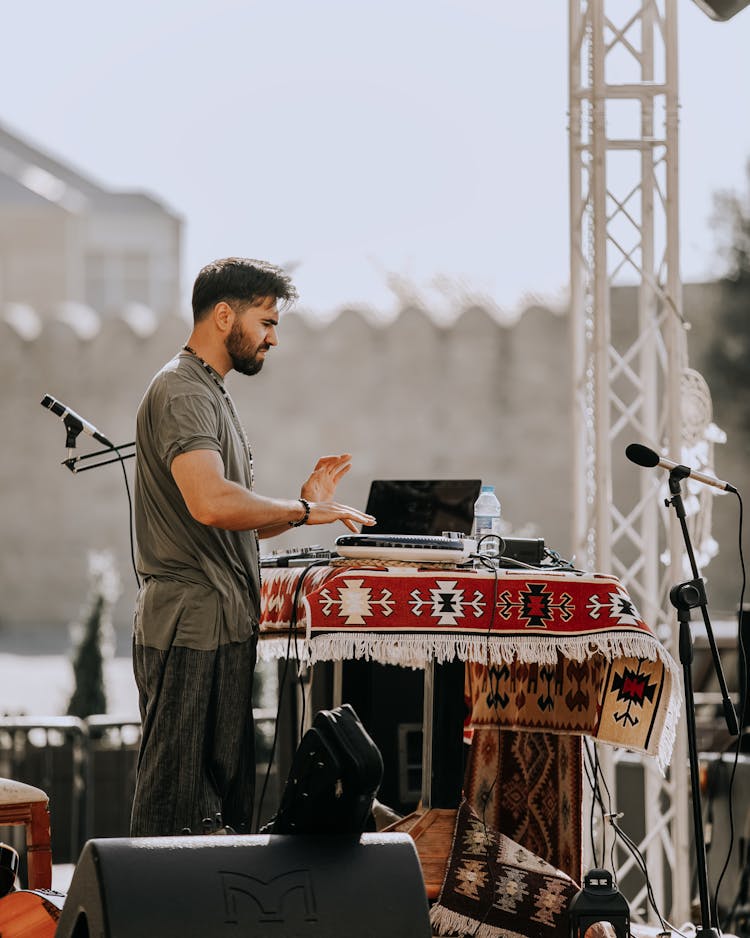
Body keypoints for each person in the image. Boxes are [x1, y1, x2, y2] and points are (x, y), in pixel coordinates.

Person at [130, 256, 375, 837]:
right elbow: (211, 502)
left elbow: (230, 520)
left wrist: (298, 509)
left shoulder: (211, 392)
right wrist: (304, 510)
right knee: (176, 813)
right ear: (223, 316)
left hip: (222, 624)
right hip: (189, 626)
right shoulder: (181, 390)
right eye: (266, 322)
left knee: (220, 816)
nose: (273, 338)